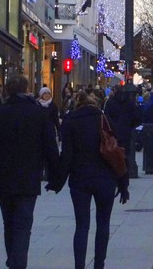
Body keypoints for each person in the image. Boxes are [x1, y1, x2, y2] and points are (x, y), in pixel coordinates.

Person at [0, 74, 61, 269]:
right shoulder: (38, 114)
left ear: (7, 91)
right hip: (29, 177)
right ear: (27, 90)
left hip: (3, 177)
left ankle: (13, 260)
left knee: (8, 223)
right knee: (23, 225)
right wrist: (56, 177)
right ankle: (18, 263)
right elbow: (51, 147)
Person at [49, 91, 129, 269]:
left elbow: (67, 156)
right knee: (103, 223)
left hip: (80, 179)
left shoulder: (70, 122)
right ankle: (99, 264)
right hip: (105, 179)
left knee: (82, 225)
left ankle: (79, 266)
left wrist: (57, 181)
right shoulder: (105, 119)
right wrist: (124, 184)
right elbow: (118, 153)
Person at [103, 86, 140, 176]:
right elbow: (136, 118)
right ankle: (125, 175)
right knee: (126, 154)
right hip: (126, 132)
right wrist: (130, 126)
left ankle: (115, 173)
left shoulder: (110, 103)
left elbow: (106, 118)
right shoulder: (130, 103)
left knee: (114, 154)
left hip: (113, 133)